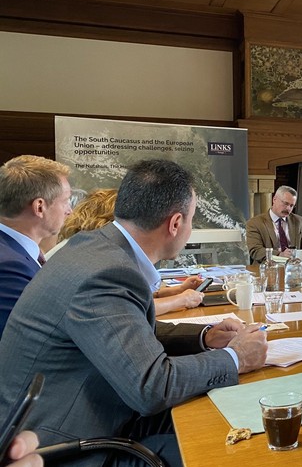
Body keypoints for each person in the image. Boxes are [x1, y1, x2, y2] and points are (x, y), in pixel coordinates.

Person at [0, 159, 268, 466]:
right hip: (67, 446)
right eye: (192, 220)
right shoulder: (105, 272)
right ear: (175, 224)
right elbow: (152, 387)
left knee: (223, 414)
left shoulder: (96, 248)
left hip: (97, 411)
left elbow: (126, 332)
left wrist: (205, 337)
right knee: (232, 449)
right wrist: (237, 358)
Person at [44, 188, 205, 316]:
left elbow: (128, 300)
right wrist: (181, 300)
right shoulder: (97, 263)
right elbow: (125, 310)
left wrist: (173, 291)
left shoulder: (78, 248)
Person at [0, 155, 72, 337]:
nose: (69, 211)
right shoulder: (10, 267)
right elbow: (38, 336)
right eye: (65, 201)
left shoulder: (14, 252)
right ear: (39, 207)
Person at [245, 185, 302, 264]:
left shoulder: (299, 221)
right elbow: (255, 250)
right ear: (274, 199)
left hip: (294, 266)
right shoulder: (255, 223)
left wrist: (298, 255)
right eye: (285, 203)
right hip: (267, 267)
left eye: (291, 206)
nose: (288, 208)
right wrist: (280, 255)